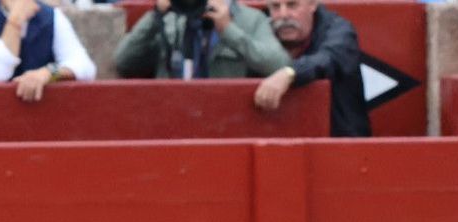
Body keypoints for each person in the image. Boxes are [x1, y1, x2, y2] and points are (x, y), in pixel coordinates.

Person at [253, 0, 370, 137]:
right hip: (270, 142)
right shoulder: (256, 29)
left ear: (313, 4)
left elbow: (328, 58)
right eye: (275, 7)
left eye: (292, 5)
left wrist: (290, 73)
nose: (283, 15)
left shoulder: (338, 30)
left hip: (340, 143)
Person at [114, 0, 288, 81]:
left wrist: (228, 30)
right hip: (170, 116)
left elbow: (278, 64)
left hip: (224, 117)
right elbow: (124, 62)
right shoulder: (168, 18)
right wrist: (155, 16)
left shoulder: (250, 19)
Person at [0, 0, 96, 102]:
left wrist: (48, 72)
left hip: (42, 118)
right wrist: (15, 20)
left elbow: (85, 66)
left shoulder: (52, 16)